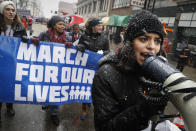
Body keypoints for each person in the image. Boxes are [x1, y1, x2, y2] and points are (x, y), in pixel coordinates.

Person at [92, 10, 168, 131]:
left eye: (157, 41)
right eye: (144, 39)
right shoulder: (106, 75)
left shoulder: (156, 70)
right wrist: (145, 109)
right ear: (129, 42)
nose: (152, 46)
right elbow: (104, 128)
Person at [38, 15, 72, 126]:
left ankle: (54, 113)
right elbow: (35, 42)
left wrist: (72, 46)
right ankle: (46, 102)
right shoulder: (44, 35)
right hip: (46, 68)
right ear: (53, 25)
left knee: (56, 90)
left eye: (64, 24)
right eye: (60, 24)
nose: (63, 26)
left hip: (60, 69)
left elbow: (73, 50)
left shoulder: (68, 37)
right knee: (46, 87)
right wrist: (32, 40)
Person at [76, 18, 109, 120]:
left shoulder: (104, 38)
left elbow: (108, 50)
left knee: (96, 89)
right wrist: (80, 46)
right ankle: (84, 109)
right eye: (99, 25)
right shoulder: (84, 36)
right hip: (86, 68)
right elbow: (79, 45)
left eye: (101, 26)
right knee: (86, 88)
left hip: (98, 68)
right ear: (93, 27)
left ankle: (94, 106)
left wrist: (105, 53)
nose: (101, 27)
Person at [0, 1, 27, 122]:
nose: (11, 12)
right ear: (2, 11)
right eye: (7, 9)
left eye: (13, 10)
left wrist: (27, 40)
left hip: (12, 62)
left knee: (10, 85)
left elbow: (26, 44)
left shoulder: (20, 28)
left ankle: (9, 106)